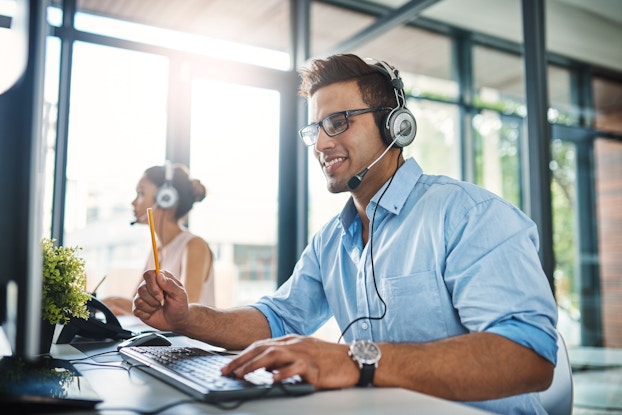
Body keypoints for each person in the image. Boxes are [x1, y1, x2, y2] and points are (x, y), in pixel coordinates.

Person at [132, 54, 558, 414]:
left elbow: (528, 356)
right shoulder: (332, 240)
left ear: (396, 128)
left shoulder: (469, 215)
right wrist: (188, 319)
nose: (320, 144)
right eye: (314, 129)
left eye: (337, 122)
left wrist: (356, 360)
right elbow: (276, 319)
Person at [102, 163, 215, 315]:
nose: (133, 202)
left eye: (141, 193)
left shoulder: (194, 246)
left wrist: (115, 302)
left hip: (189, 339)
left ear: (165, 198)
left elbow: (186, 311)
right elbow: (137, 305)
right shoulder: (157, 249)